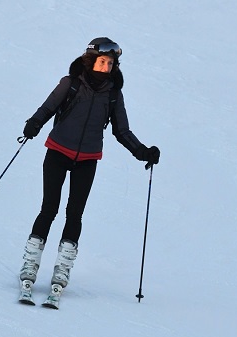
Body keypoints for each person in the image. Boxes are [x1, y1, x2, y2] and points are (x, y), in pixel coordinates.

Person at [18, 37, 160, 307]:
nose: (106, 67)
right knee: (49, 209)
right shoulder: (70, 83)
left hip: (88, 159)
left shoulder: (113, 94)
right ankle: (29, 267)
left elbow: (122, 131)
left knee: (75, 214)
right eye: (102, 61)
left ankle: (61, 273)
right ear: (91, 60)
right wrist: (34, 124)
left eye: (111, 63)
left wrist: (143, 152)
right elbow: (48, 108)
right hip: (58, 152)